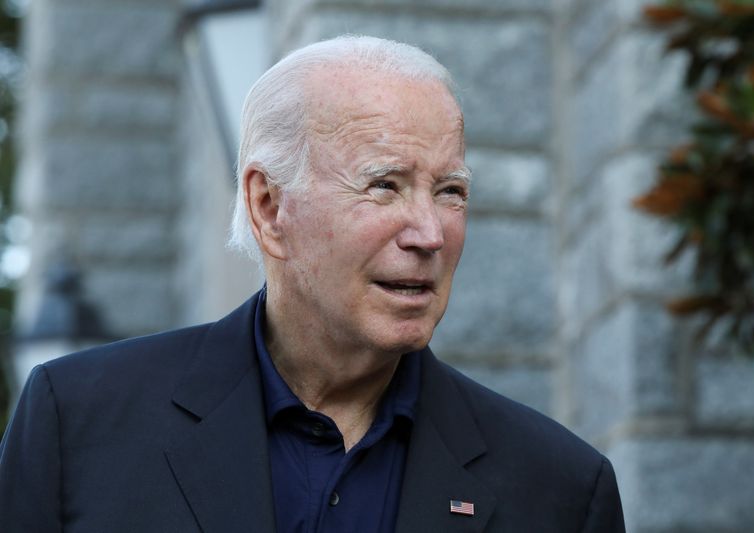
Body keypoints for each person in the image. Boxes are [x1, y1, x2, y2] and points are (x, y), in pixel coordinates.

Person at [0, 36, 625, 532]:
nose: (430, 233)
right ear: (269, 207)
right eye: (385, 185)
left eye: (451, 192)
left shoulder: (561, 487)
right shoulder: (78, 422)